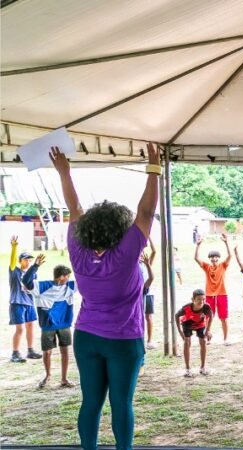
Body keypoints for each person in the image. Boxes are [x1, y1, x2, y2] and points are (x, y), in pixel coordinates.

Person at [51, 143, 159, 450]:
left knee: (91, 403)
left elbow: (75, 209)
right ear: (120, 231)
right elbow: (147, 212)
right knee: (121, 403)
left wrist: (64, 172)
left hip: (86, 337)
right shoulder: (125, 255)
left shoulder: (78, 251)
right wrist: (153, 167)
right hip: (123, 340)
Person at [22, 257, 76, 389]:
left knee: (65, 351)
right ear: (60, 277)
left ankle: (64, 378)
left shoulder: (70, 286)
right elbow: (25, 280)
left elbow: (87, 278)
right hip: (47, 326)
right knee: (47, 352)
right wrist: (35, 266)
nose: (68, 279)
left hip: (64, 325)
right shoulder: (42, 287)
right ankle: (47, 376)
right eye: (67, 276)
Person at [8, 236, 42, 363]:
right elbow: (11, 261)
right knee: (20, 329)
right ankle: (15, 353)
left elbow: (34, 287)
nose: (28, 262)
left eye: (30, 260)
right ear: (20, 261)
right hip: (17, 302)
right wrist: (14, 247)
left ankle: (30, 350)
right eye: (26, 260)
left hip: (29, 303)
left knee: (30, 326)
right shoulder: (14, 271)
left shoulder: (32, 272)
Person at [194, 233, 232, 345]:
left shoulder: (223, 266)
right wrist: (198, 245)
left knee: (223, 318)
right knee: (208, 317)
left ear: (218, 258)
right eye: (212, 257)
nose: (214, 258)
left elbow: (230, 256)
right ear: (209, 259)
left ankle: (225, 339)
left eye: (216, 257)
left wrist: (226, 242)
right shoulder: (207, 267)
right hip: (209, 295)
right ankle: (207, 337)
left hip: (222, 294)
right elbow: (196, 258)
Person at [176, 289, 214, 378]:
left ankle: (203, 367)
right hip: (187, 324)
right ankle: (188, 369)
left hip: (200, 324)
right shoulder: (186, 308)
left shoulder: (206, 307)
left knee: (203, 342)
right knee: (187, 343)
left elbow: (211, 316)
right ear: (193, 299)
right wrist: (180, 331)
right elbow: (176, 315)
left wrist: (208, 330)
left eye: (203, 299)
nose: (201, 301)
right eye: (199, 299)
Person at [139, 246, 156, 350]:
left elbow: (154, 251)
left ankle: (149, 340)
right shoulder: (132, 265)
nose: (141, 255)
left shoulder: (147, 265)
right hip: (138, 293)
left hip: (148, 292)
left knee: (148, 316)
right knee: (139, 317)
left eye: (142, 253)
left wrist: (148, 236)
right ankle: (140, 339)